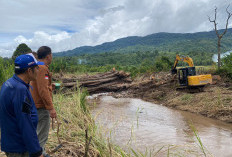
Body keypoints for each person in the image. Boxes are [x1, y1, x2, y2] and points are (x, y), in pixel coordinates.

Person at [0, 53, 43, 157]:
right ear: (29, 71)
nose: (38, 70)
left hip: (11, 142)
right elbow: (25, 122)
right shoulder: (19, 90)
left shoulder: (9, 83)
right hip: (19, 147)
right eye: (36, 67)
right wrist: (37, 151)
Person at [30, 46, 56, 157]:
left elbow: (42, 87)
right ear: (48, 56)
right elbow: (42, 90)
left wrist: (50, 87)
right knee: (42, 132)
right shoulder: (42, 68)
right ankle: (40, 153)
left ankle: (38, 152)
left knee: (38, 130)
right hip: (41, 106)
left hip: (35, 104)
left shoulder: (37, 67)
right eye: (51, 55)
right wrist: (51, 108)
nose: (52, 57)